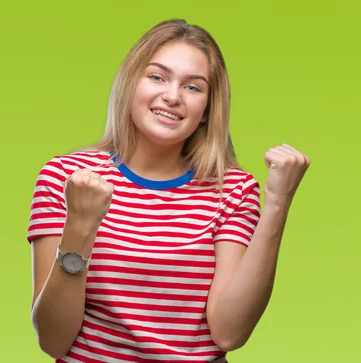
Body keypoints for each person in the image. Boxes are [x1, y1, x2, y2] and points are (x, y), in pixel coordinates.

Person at [26, 18, 310, 363]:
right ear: (131, 84)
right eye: (157, 76)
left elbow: (230, 332)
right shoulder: (66, 177)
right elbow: (53, 341)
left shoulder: (233, 190)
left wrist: (278, 203)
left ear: (207, 110)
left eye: (193, 87)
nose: (172, 96)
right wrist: (81, 226)